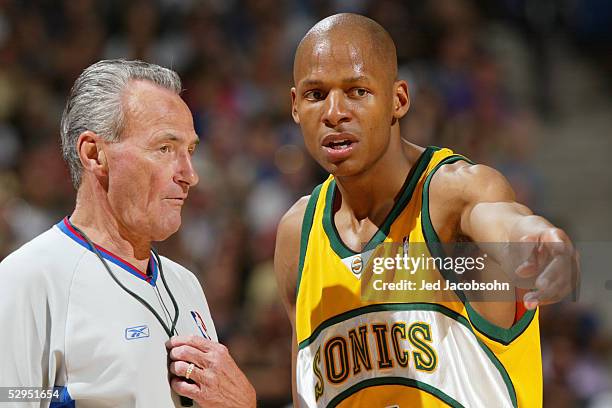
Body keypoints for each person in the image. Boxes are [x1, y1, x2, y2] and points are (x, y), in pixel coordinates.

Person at [274, 13, 578, 407]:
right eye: (316, 95)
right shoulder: (297, 235)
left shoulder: (452, 197)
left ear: (398, 100)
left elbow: (501, 220)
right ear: (296, 106)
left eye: (357, 91)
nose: (334, 112)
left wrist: (538, 239)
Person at [0, 60, 256, 408]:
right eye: (165, 149)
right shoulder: (27, 279)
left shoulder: (186, 283)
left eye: (190, 150)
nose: (190, 174)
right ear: (94, 154)